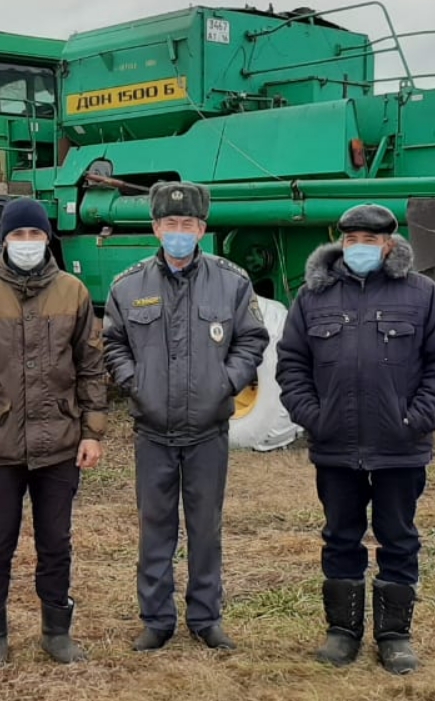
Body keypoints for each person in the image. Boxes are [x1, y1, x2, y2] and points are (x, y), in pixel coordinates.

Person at [273, 203, 435, 675]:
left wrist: (417, 419)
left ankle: (395, 636)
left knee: (398, 539)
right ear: (341, 243)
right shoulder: (313, 297)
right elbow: (292, 364)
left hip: (399, 450)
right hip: (336, 447)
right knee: (340, 537)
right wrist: (313, 417)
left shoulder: (421, 294)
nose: (361, 247)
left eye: (371, 240)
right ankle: (342, 632)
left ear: (389, 244)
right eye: (352, 239)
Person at [103, 181, 270, 653]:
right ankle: (156, 620)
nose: (179, 232)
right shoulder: (127, 285)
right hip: (152, 431)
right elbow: (113, 343)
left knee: (205, 527)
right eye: (170, 224)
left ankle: (205, 617)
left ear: (202, 228)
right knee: (155, 527)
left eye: (188, 224)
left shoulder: (232, 282)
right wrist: (135, 383)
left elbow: (252, 340)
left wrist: (225, 382)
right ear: (156, 228)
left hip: (207, 432)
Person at [0, 197, 110, 668]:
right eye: (18, 235)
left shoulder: (73, 292)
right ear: (5, 240)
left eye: (34, 235)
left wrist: (92, 431)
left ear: (47, 238)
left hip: (58, 442)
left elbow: (91, 368)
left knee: (56, 542)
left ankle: (57, 631)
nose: (26, 243)